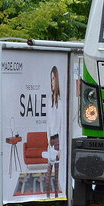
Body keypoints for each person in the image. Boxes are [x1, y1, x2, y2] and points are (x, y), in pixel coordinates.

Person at [44, 66, 63, 197]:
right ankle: (48, 194)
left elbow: (60, 123)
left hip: (57, 138)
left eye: (53, 79)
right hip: (51, 139)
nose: (51, 83)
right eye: (50, 80)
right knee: (49, 169)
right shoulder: (50, 99)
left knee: (56, 169)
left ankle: (55, 194)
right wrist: (48, 142)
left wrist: (60, 147)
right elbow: (47, 123)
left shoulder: (59, 100)